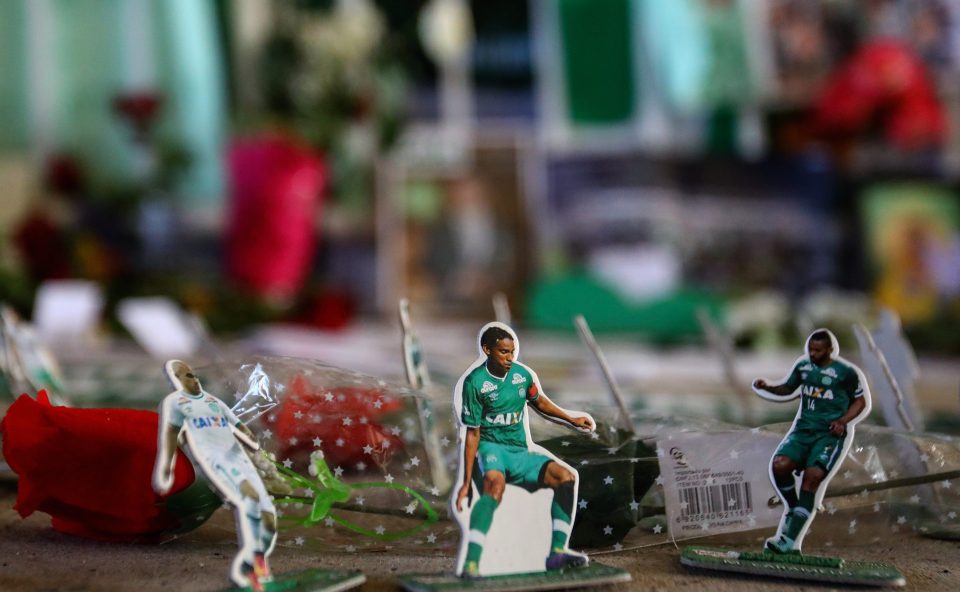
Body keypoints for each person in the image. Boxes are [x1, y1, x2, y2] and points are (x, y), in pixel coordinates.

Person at [453, 323, 596, 577]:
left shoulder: (522, 376)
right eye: (503, 352)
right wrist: (465, 482)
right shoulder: (475, 383)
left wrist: (571, 418)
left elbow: (539, 402)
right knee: (494, 486)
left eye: (512, 351)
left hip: (519, 451)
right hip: (491, 448)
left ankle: (556, 553)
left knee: (566, 477)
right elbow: (472, 433)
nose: (510, 358)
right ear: (487, 350)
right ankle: (472, 562)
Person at [152, 360, 277, 591]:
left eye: (194, 374)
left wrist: (258, 451)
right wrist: (166, 466)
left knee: (269, 521)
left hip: (239, 458)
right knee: (249, 500)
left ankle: (251, 562)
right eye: (187, 375)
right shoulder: (176, 403)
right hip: (216, 461)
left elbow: (239, 426)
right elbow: (170, 433)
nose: (194, 378)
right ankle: (256, 570)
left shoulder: (214, 402)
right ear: (177, 379)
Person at [753, 329, 871, 553]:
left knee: (813, 477)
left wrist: (843, 421)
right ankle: (794, 506)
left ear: (829, 350)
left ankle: (788, 540)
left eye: (818, 350)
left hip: (828, 434)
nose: (813, 354)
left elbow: (860, 402)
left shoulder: (846, 373)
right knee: (780, 465)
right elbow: (788, 388)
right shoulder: (803, 366)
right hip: (803, 430)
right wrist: (767, 386)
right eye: (810, 350)